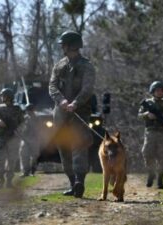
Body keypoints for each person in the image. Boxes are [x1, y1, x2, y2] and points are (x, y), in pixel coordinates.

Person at [49, 30, 95, 198]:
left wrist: (76, 103)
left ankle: (79, 182)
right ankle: (71, 183)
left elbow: (88, 89)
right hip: (60, 113)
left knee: (79, 145)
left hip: (80, 112)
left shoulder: (87, 65)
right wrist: (61, 101)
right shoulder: (59, 65)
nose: (62, 47)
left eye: (64, 44)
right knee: (63, 147)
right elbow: (52, 86)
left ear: (70, 45)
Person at [138, 81, 163, 189]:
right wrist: (147, 114)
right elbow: (139, 115)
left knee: (161, 157)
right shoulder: (148, 103)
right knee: (147, 153)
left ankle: (160, 180)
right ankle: (151, 172)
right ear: (152, 91)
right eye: (157, 90)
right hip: (150, 132)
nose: (159, 92)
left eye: (161, 90)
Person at [0, 88, 24, 188]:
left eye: (3, 95)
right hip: (1, 137)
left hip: (13, 138)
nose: (2, 97)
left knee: (12, 160)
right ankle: (1, 180)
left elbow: (22, 122)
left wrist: (18, 131)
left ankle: (9, 181)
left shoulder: (17, 109)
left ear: (8, 97)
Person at [19, 103, 40, 177]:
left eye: (30, 110)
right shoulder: (25, 118)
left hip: (34, 139)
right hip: (25, 139)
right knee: (24, 155)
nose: (28, 112)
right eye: (27, 110)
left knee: (34, 156)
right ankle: (25, 172)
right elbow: (21, 128)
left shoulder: (37, 118)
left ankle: (32, 171)